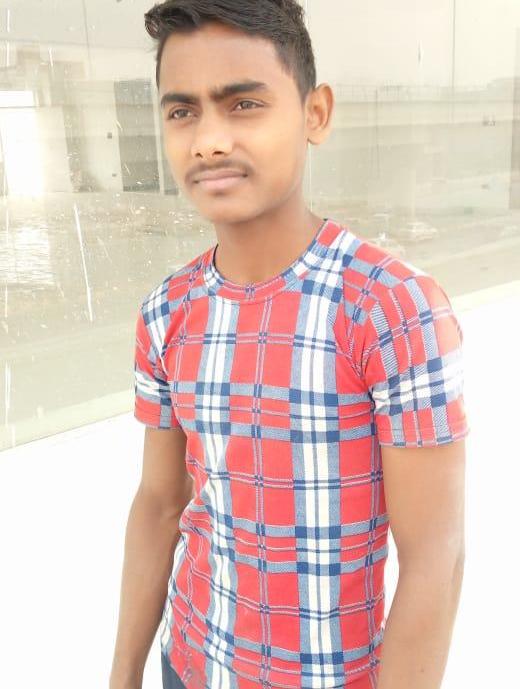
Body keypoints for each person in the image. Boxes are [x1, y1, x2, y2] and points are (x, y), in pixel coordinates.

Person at [109, 2, 470, 688]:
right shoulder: (166, 311)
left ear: (315, 114)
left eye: (243, 104)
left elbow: (435, 556)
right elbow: (159, 504)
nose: (209, 140)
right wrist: (123, 674)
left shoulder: (390, 309)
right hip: (189, 663)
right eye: (182, 111)